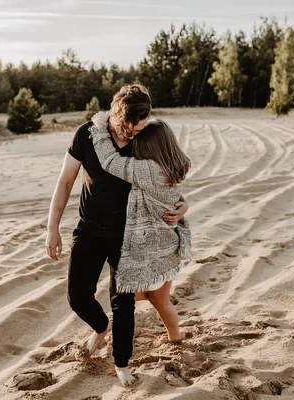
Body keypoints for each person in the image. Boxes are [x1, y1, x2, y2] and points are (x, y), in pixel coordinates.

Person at [45, 84, 188, 386]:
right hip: (89, 230)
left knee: (123, 303)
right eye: (130, 129)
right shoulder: (87, 135)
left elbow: (164, 180)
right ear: (115, 115)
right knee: (77, 296)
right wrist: (52, 227)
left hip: (129, 236)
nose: (133, 135)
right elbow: (65, 181)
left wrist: (182, 204)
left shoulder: (142, 139)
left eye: (139, 129)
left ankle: (122, 363)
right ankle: (100, 327)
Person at [88, 114, 192, 347]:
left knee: (124, 295)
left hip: (152, 248)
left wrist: (99, 129)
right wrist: (185, 205)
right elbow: (173, 197)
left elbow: (111, 162)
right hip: (168, 246)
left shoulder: (147, 170)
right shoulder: (174, 166)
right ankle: (176, 336)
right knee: (160, 300)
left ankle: (165, 331)